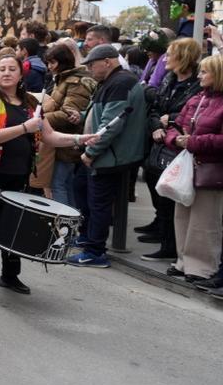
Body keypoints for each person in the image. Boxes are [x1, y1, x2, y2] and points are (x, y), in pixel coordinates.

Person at [0, 53, 92, 293]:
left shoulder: (30, 104)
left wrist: (81, 138)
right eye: (2, 69)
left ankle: (9, 275)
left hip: (17, 175)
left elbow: (49, 136)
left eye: (11, 69)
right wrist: (24, 128)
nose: (6, 73)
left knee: (12, 225)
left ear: (20, 74)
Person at [67, 44, 149, 268]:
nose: (90, 69)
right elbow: (103, 113)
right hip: (104, 153)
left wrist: (91, 153)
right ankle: (87, 238)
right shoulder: (113, 81)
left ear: (108, 61)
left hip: (109, 156)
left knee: (98, 203)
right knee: (82, 190)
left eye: (92, 64)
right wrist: (83, 116)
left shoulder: (120, 83)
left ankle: (95, 251)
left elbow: (111, 125)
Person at [161, 55, 223, 291]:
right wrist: (176, 140)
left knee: (205, 221)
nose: (199, 76)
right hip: (189, 167)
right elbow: (174, 126)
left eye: (205, 72)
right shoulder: (197, 99)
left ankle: (202, 267)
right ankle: (184, 261)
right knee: (183, 216)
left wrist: (193, 142)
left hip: (211, 170)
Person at [139, 38, 201, 262]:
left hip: (177, 146)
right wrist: (156, 125)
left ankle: (170, 245)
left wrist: (171, 120)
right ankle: (162, 233)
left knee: (171, 198)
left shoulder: (196, 84)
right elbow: (155, 107)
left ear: (182, 56)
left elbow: (195, 112)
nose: (166, 58)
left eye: (170, 53)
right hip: (159, 142)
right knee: (156, 187)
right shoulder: (169, 78)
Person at [43, 42, 97, 211]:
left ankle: (65, 227)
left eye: (52, 63)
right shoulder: (66, 79)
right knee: (65, 184)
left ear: (61, 61)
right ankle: (72, 226)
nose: (50, 67)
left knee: (58, 184)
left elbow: (69, 114)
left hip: (68, 141)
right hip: (65, 140)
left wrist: (40, 119)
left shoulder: (75, 82)